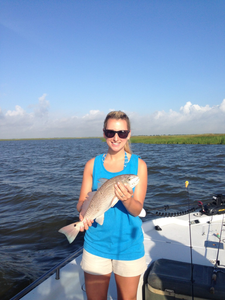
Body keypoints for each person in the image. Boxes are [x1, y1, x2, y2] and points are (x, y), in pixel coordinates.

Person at [77, 110, 148, 300]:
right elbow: (81, 202)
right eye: (111, 133)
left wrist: (126, 199)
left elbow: (136, 210)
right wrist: (84, 215)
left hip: (129, 246)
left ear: (129, 134)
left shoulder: (139, 166)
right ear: (104, 133)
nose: (116, 138)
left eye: (122, 133)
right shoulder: (91, 165)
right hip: (95, 244)